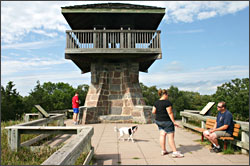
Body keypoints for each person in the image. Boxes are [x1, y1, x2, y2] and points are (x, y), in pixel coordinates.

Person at [152, 89, 184, 158]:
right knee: (171, 137)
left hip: (158, 121)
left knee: (162, 135)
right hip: (167, 122)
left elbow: (153, 111)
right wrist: (174, 122)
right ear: (165, 94)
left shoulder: (156, 102)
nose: (168, 96)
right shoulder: (167, 102)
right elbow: (170, 113)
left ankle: (163, 150)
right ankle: (175, 152)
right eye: (167, 95)